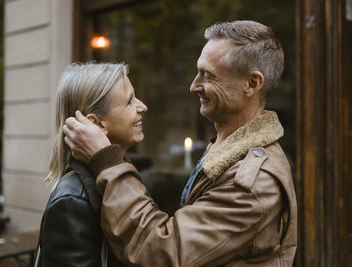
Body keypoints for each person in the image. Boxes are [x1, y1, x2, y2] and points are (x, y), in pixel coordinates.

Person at [63, 20, 297, 266]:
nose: (194, 86)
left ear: (252, 84)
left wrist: (107, 162)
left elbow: (160, 251)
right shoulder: (227, 148)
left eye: (208, 76)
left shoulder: (254, 182)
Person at [34, 62, 147, 267]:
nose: (142, 106)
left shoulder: (123, 173)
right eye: (130, 101)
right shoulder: (72, 200)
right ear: (96, 124)